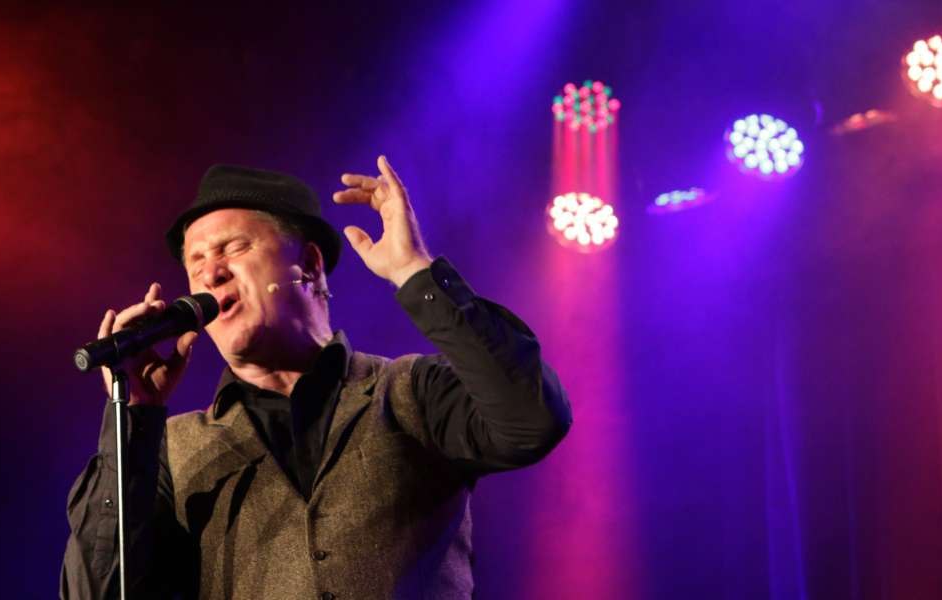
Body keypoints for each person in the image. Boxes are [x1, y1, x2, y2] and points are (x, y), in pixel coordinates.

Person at [60, 156, 572, 599]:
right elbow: (95, 592)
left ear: (307, 265)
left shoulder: (411, 391)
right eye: (196, 265)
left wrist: (415, 273)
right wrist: (134, 420)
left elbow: (533, 420)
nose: (209, 275)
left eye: (232, 249)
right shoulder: (169, 448)